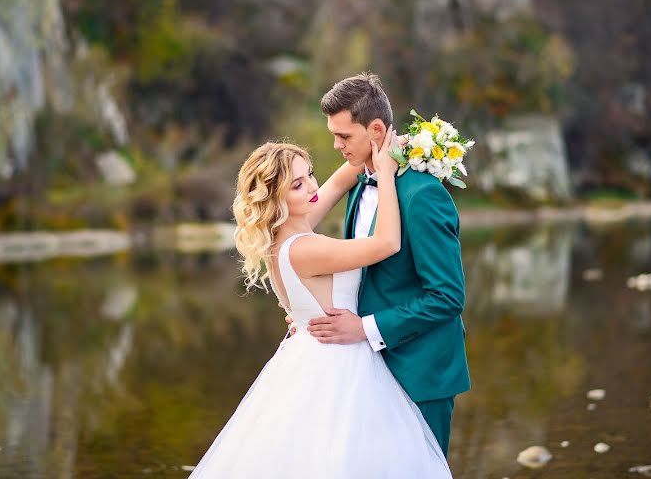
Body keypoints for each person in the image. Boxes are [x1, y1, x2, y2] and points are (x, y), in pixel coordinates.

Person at [187, 131, 452, 478]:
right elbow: (387, 242)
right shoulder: (305, 248)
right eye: (297, 185)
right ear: (275, 198)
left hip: (311, 353)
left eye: (309, 173)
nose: (312, 187)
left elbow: (343, 177)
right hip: (339, 361)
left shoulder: (285, 233)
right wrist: (386, 174)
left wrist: (395, 142)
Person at [306, 72, 470, 457]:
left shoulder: (422, 195)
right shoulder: (361, 183)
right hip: (369, 368)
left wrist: (363, 328)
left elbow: (447, 297)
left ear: (375, 130)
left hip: (421, 371)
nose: (336, 145)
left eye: (344, 136)